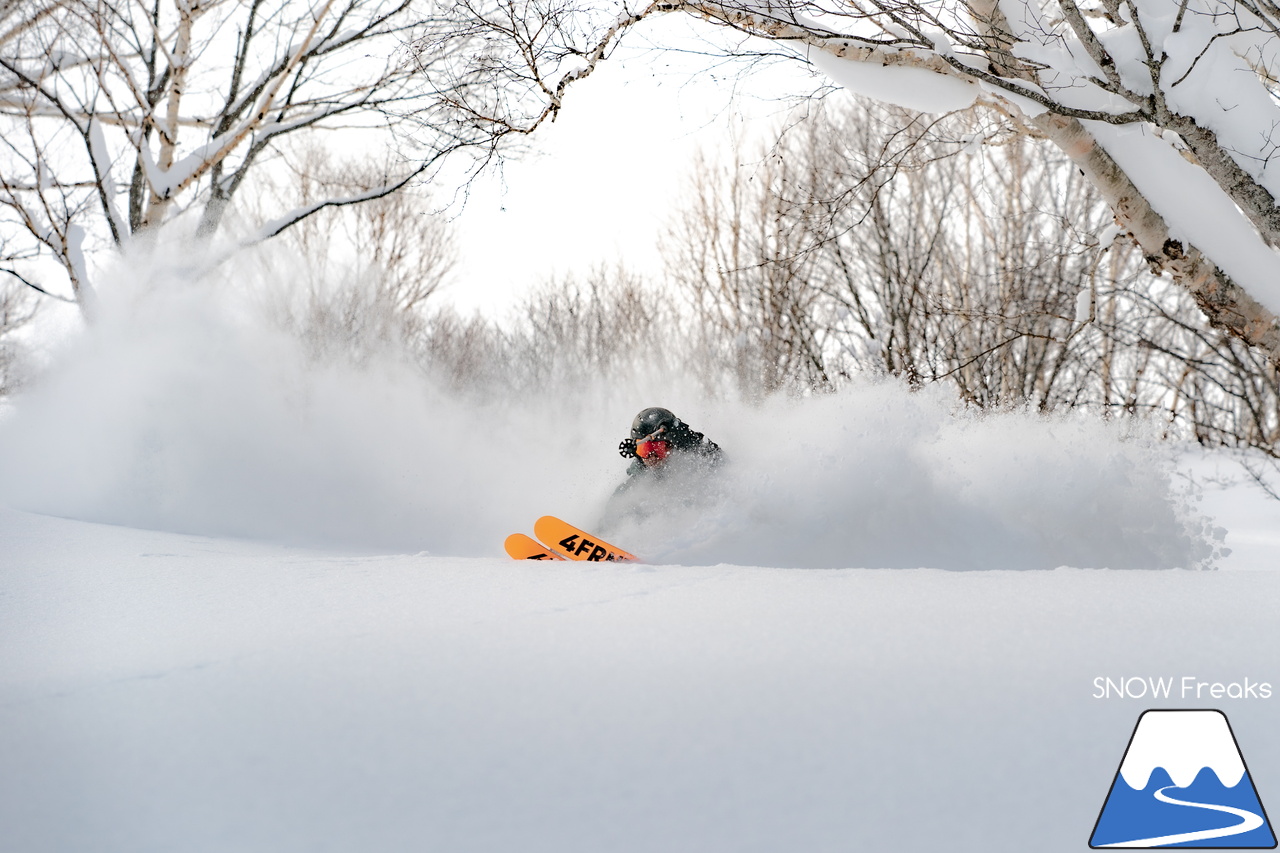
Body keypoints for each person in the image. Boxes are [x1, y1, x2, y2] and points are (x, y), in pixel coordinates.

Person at [607, 407, 724, 521]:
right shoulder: (630, 490)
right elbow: (607, 523)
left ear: (672, 446)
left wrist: (689, 438)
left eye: (658, 449)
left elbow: (721, 462)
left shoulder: (692, 469)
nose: (652, 457)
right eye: (645, 449)